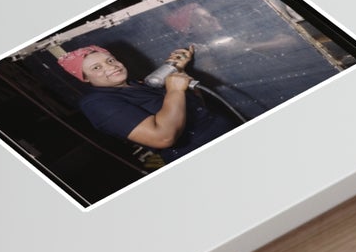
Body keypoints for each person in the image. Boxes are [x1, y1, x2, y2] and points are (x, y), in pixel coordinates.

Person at [57, 42, 234, 162]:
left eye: (110, 60)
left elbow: (194, 107)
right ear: (85, 78)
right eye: (97, 68)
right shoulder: (96, 103)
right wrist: (174, 90)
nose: (111, 67)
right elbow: (163, 138)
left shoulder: (137, 84)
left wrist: (176, 68)